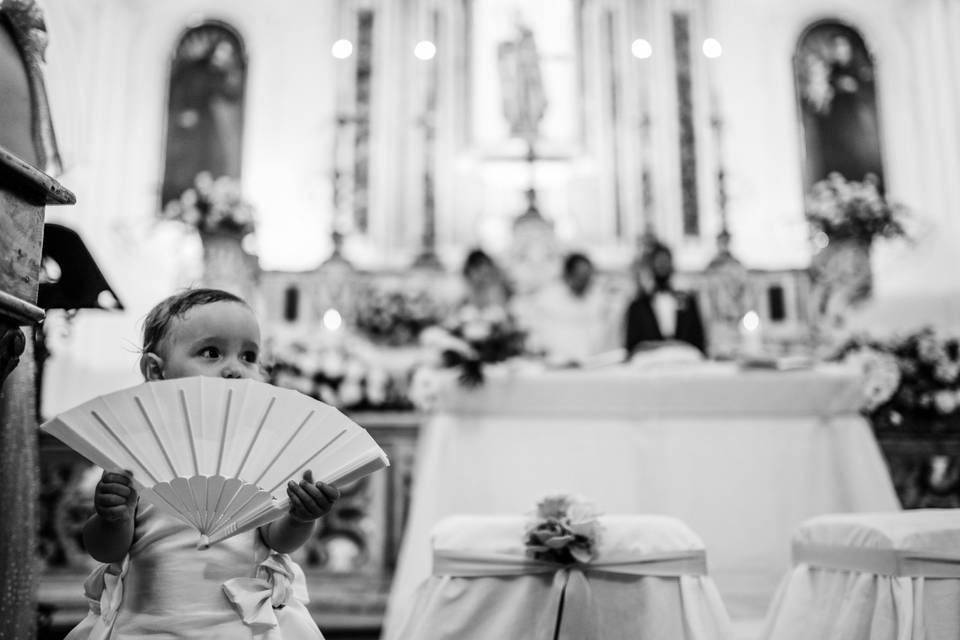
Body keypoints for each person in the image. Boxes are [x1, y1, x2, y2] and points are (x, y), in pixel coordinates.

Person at [67, 288, 339, 640]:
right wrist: (111, 517)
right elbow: (105, 549)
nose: (235, 369)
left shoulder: (260, 452)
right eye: (211, 353)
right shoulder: (136, 450)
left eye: (248, 356)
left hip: (239, 625)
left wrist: (301, 519)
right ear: (155, 370)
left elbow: (276, 539)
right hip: (149, 624)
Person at [516, 252, 620, 365]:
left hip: (593, 367)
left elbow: (606, 336)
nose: (585, 282)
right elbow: (538, 337)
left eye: (588, 277)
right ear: (568, 275)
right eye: (580, 277)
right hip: (556, 367)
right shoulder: (547, 300)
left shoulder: (599, 300)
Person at [624, 241, 707, 355]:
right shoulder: (638, 306)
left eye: (665, 262)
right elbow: (632, 346)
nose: (662, 266)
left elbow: (699, 339)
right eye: (658, 262)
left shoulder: (688, 301)